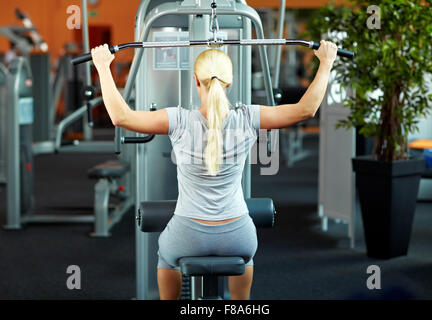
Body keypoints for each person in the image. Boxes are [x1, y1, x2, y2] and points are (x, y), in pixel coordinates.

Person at [91, 40, 337, 300]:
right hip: (238, 235)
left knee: (166, 256)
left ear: (196, 81)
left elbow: (121, 117)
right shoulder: (248, 117)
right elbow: (306, 110)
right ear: (229, 84)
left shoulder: (179, 120)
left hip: (186, 234)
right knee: (246, 263)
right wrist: (326, 63)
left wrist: (103, 67)